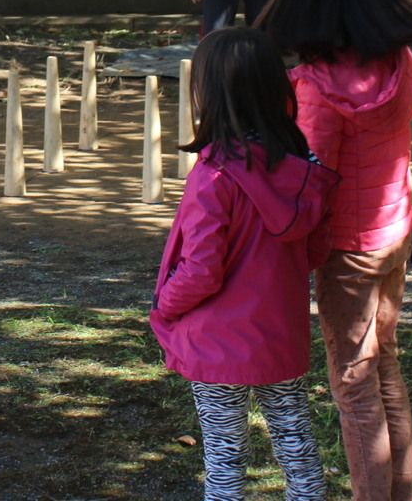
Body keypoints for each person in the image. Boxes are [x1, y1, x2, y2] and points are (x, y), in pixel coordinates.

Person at [257, 0, 412, 501]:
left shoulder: (314, 86)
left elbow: (311, 181)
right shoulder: (402, 61)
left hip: (348, 249)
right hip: (394, 230)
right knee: (384, 368)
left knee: (354, 382)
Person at [149, 27, 338, 500]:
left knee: (224, 456)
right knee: (296, 443)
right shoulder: (303, 167)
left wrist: (164, 307)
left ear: (209, 94)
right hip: (279, 333)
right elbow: (316, 251)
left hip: (214, 341)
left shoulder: (213, 175)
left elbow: (200, 269)